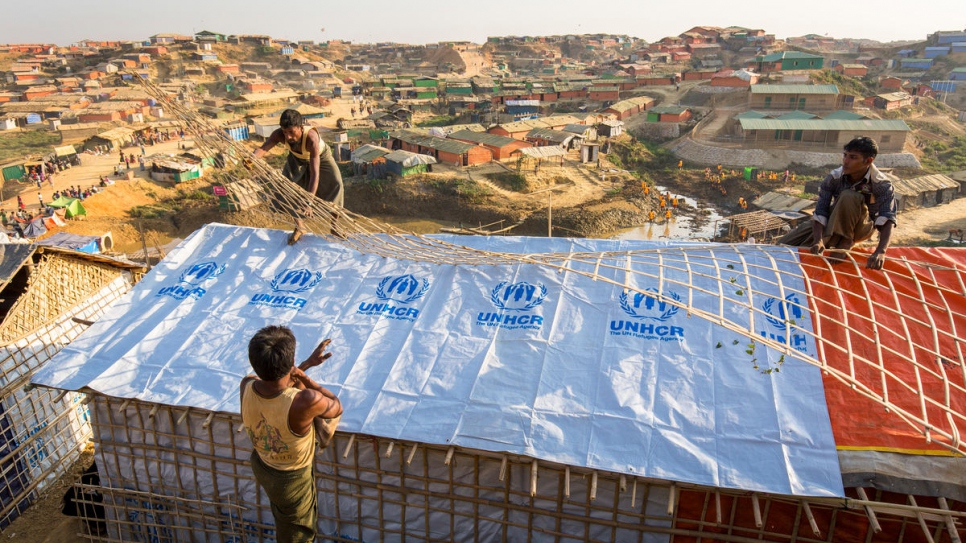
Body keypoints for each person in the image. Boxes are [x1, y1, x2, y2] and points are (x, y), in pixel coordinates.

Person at [240, 326, 343, 543]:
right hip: (291, 480)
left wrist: (304, 365)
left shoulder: (247, 384)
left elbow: (277, 390)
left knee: (283, 516)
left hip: (263, 464)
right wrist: (303, 374)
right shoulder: (305, 401)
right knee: (297, 533)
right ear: (291, 359)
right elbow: (336, 406)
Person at [781, 137, 896, 269]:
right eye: (845, 155)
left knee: (849, 195)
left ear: (868, 161)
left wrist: (880, 252)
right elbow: (821, 210)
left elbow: (887, 219)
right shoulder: (834, 178)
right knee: (783, 244)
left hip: (862, 227)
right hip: (835, 220)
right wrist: (818, 239)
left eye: (853, 157)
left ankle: (846, 241)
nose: (845, 161)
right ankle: (826, 239)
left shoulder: (881, 184)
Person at [254, 109, 344, 207]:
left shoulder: (311, 139)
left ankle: (334, 220)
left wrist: (309, 202)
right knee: (286, 186)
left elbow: (315, 174)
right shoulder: (278, 135)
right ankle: (298, 220)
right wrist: (252, 159)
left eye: (291, 132)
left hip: (321, 157)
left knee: (336, 183)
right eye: (285, 132)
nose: (288, 137)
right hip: (296, 157)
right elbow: (263, 149)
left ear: (301, 127)